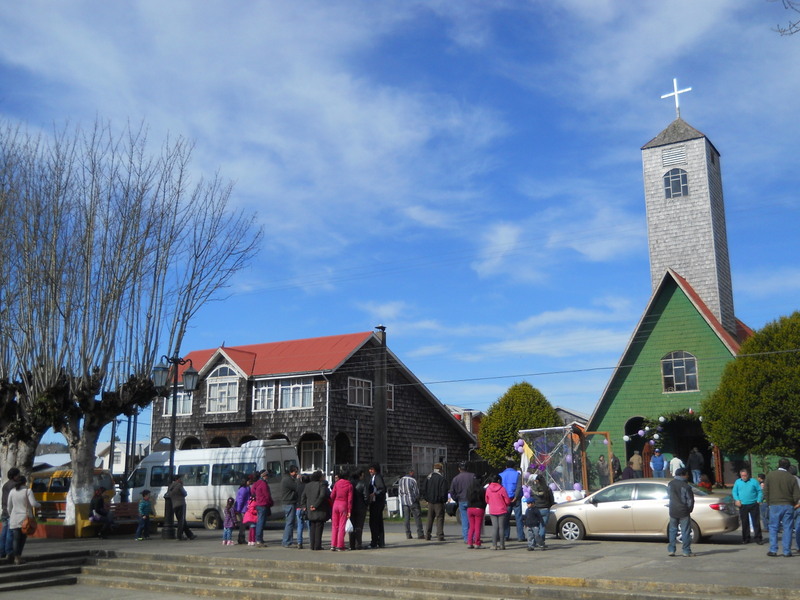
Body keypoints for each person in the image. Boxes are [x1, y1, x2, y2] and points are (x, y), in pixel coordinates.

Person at [763, 458, 800, 557]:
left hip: (774, 505)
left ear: (778, 465)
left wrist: (769, 502)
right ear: (788, 466)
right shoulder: (791, 477)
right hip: (788, 505)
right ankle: (787, 551)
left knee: (773, 527)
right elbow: (797, 494)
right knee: (787, 528)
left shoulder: (770, 475)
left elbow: (765, 491)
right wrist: (793, 502)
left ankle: (773, 550)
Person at [6, 476, 40, 565]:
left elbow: (9, 507)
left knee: (15, 539)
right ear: (25, 482)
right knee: (22, 539)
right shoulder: (28, 491)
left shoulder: (12, 491)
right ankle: (18, 557)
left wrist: (11, 515)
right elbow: (33, 503)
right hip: (25, 519)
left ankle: (15, 557)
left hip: (14, 518)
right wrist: (39, 504)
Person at [667, 467, 695, 557]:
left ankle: (671, 550)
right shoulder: (686, 486)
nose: (688, 476)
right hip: (683, 511)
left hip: (673, 510)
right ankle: (686, 551)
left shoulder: (670, 484)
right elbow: (690, 500)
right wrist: (689, 509)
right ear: (683, 475)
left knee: (672, 530)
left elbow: (669, 495)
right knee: (685, 531)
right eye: (687, 474)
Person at [732, 469, 763, 545]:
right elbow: (734, 492)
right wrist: (737, 500)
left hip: (753, 503)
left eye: (745, 475)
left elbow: (760, 491)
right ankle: (746, 538)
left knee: (756, 522)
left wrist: (759, 500)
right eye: (742, 475)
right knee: (745, 522)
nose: (744, 477)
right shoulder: (738, 482)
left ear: (748, 475)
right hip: (743, 505)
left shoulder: (754, 481)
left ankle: (758, 538)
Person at [301, 470, 329, 551]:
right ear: (320, 477)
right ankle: (317, 545)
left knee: (312, 527)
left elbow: (303, 496)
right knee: (319, 528)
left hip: (310, 509)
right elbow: (322, 496)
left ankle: (312, 545)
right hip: (319, 509)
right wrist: (315, 506)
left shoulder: (308, 485)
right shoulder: (321, 485)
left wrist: (304, 506)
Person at [448, 462, 476, 543]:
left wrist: (456, 498)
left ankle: (466, 538)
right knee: (472, 520)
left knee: (464, 520)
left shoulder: (456, 478)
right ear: (467, 468)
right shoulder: (473, 476)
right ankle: (473, 537)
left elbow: (452, 491)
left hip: (461, 500)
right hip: (472, 500)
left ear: (459, 469)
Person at [421, 462, 448, 542]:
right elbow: (444, 491)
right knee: (439, 518)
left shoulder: (428, 478)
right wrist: (444, 500)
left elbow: (423, 489)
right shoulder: (442, 479)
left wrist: (427, 499)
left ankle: (427, 535)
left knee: (429, 518)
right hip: (439, 502)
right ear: (441, 470)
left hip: (430, 502)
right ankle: (440, 535)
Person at [499, 460, 523, 541]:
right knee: (518, 518)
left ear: (506, 466)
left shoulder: (501, 475)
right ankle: (520, 536)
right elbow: (519, 487)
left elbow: (500, 488)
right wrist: (516, 496)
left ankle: (506, 535)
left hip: (505, 499)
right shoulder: (517, 474)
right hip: (516, 499)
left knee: (505, 518)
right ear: (514, 467)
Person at [485, 474, 511, 550]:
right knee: (501, 528)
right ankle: (502, 545)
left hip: (492, 510)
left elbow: (487, 500)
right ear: (499, 480)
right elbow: (507, 500)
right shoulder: (502, 489)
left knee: (494, 527)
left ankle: (494, 545)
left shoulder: (488, 489)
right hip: (502, 509)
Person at [329, 468, 353, 551]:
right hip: (344, 505)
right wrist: (349, 510)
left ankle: (333, 544)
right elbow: (350, 500)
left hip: (335, 504)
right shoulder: (349, 485)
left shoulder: (336, 484)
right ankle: (340, 545)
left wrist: (333, 502)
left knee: (334, 526)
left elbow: (332, 495)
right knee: (342, 526)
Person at [529, 472, 554, 549]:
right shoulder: (547, 489)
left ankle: (534, 542)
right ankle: (541, 542)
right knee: (542, 526)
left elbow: (531, 499)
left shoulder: (533, 489)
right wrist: (549, 505)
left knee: (535, 526)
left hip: (536, 509)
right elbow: (551, 499)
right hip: (545, 508)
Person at [397, 467, 424, 540]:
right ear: (411, 472)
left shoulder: (401, 480)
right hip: (412, 501)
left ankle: (408, 534)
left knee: (406, 518)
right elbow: (416, 492)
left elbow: (399, 492)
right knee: (417, 517)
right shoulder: (413, 480)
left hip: (404, 501)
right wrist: (416, 498)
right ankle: (420, 533)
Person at [1, 467, 21, 562]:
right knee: (10, 533)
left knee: (4, 532)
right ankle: (9, 551)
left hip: (4, 511)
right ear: (14, 476)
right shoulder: (15, 485)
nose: (19, 476)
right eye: (18, 475)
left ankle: (2, 551)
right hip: (11, 511)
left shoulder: (5, 485)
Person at [167, 474, 196, 541]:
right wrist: (182, 485)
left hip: (174, 505)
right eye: (180, 479)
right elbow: (185, 493)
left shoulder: (170, 486)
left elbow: (169, 494)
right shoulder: (179, 485)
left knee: (182, 520)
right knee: (181, 521)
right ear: (177, 479)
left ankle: (190, 535)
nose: (181, 480)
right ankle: (179, 535)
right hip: (181, 504)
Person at [251, 469, 274, 547]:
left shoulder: (257, 483)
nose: (267, 477)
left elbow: (252, 490)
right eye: (267, 475)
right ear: (264, 476)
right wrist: (271, 502)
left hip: (258, 504)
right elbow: (267, 495)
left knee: (259, 522)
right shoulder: (264, 484)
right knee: (261, 522)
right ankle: (259, 540)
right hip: (263, 504)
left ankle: (259, 538)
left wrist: (256, 496)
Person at [367, 463, 386, 549]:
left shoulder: (377, 477)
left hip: (377, 502)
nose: (370, 471)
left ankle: (374, 541)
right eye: (369, 469)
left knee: (374, 522)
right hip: (376, 502)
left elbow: (382, 489)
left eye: (372, 469)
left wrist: (374, 494)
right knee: (378, 522)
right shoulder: (373, 477)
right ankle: (380, 541)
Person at [348, 469, 368, 550]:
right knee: (359, 527)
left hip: (351, 507)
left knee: (351, 526)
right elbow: (366, 497)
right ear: (360, 475)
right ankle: (358, 544)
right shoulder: (363, 484)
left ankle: (351, 544)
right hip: (361, 507)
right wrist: (366, 504)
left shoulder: (349, 484)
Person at [281, 465, 300, 548]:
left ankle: (289, 540)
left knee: (290, 523)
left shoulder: (287, 479)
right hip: (289, 503)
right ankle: (286, 541)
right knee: (289, 523)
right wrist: (298, 480)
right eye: (295, 472)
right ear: (291, 472)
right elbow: (296, 487)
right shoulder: (288, 480)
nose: (296, 474)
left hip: (288, 502)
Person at [465, 476, 485, 549]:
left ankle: (469, 542)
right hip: (479, 508)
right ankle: (477, 543)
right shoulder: (482, 490)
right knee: (477, 527)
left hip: (470, 508)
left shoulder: (469, 489)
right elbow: (484, 500)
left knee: (471, 527)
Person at [234, 476, 253, 545]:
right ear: (245, 482)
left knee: (243, 525)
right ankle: (241, 538)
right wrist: (238, 509)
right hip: (242, 510)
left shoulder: (247, 488)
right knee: (242, 525)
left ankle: (242, 538)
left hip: (245, 509)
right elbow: (240, 501)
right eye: (249, 481)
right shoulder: (244, 489)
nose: (250, 483)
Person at [296, 473, 310, 549]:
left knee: (299, 526)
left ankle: (299, 542)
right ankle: (311, 541)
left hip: (298, 507)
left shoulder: (298, 486)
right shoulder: (308, 487)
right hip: (307, 508)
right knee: (309, 526)